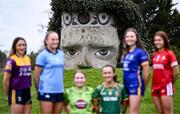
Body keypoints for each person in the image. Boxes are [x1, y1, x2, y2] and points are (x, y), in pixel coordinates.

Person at [34, 31, 64, 114]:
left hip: (59, 91)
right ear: (46, 41)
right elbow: (36, 75)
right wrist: (39, 91)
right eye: (52, 39)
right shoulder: (42, 55)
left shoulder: (61, 54)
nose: (55, 42)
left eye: (57, 39)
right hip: (46, 91)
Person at [121, 28, 150, 114]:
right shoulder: (126, 52)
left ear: (136, 38)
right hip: (125, 86)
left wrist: (142, 87)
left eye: (132, 36)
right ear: (125, 39)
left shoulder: (140, 52)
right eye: (127, 37)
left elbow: (147, 72)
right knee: (121, 110)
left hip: (135, 85)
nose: (129, 38)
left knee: (133, 112)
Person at [151, 31, 179, 114]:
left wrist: (170, 83)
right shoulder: (155, 54)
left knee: (168, 112)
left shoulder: (170, 53)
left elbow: (176, 71)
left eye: (159, 40)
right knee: (160, 111)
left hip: (166, 86)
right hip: (155, 86)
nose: (157, 42)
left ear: (164, 41)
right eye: (155, 40)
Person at [3, 37, 32, 114]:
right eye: (19, 45)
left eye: (24, 45)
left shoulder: (27, 58)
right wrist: (8, 95)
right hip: (16, 92)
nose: (22, 47)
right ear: (15, 47)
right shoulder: (11, 60)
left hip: (27, 91)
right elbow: (6, 81)